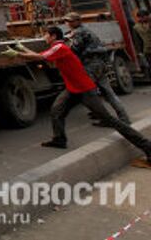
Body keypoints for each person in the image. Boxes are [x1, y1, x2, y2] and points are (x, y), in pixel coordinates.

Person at [12, 26, 151, 161]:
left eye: (45, 34)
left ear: (53, 36)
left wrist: (17, 53)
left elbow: (37, 57)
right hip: (73, 89)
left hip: (85, 90)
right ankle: (59, 139)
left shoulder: (59, 47)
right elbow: (40, 56)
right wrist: (21, 48)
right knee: (56, 110)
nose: (44, 37)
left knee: (110, 120)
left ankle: (147, 146)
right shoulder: (57, 48)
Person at [63, 12, 130, 124]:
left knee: (89, 94)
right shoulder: (84, 30)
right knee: (108, 93)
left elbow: (75, 49)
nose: (68, 23)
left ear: (78, 21)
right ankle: (124, 118)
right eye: (67, 21)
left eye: (71, 21)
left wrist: (65, 43)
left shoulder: (79, 32)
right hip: (99, 63)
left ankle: (105, 118)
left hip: (90, 65)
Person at [132, 10, 151, 75]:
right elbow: (137, 41)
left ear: (147, 16)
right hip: (147, 50)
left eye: (143, 17)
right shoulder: (136, 27)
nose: (141, 19)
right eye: (140, 17)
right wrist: (139, 52)